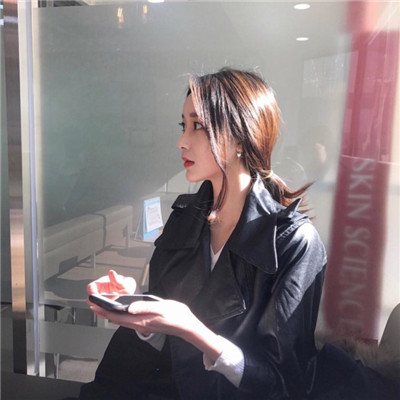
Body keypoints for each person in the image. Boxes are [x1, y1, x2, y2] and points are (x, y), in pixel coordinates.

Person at [78, 67, 386, 400]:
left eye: (198, 126)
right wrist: (138, 307)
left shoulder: (294, 242)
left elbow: (283, 383)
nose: (182, 141)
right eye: (183, 126)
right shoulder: (185, 220)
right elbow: (165, 342)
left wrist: (193, 329)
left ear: (240, 137)